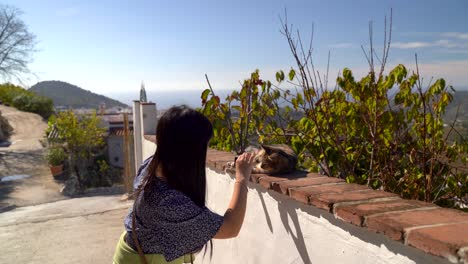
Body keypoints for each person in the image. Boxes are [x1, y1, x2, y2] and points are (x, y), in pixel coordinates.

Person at [113, 105, 255, 264]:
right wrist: (242, 177)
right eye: (204, 146)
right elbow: (231, 228)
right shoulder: (170, 203)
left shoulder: (151, 166)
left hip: (131, 253)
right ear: (188, 152)